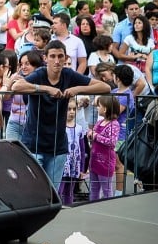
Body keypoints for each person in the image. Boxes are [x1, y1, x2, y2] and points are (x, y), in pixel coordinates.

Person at [11, 40, 111, 186]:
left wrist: (77, 89)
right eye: (52, 56)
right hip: (34, 144)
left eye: (60, 56)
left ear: (66, 58)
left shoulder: (69, 74)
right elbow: (17, 86)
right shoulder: (39, 74)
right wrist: (46, 89)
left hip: (58, 145)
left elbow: (105, 87)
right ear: (45, 58)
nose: (57, 61)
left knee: (53, 191)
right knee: (33, 188)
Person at [87, 95, 121, 201]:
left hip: (105, 163)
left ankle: (108, 208)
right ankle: (92, 208)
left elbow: (112, 142)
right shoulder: (99, 122)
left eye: (99, 106)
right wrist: (90, 134)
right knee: (93, 189)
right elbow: (94, 136)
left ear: (105, 109)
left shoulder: (114, 124)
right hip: (94, 161)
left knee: (107, 190)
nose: (97, 108)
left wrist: (96, 136)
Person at [58, 98, 87, 206]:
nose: (72, 112)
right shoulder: (60, 127)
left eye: (74, 109)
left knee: (69, 191)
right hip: (61, 164)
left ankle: (68, 209)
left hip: (74, 165)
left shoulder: (79, 128)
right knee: (59, 189)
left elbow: (83, 149)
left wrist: (83, 169)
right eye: (68, 109)